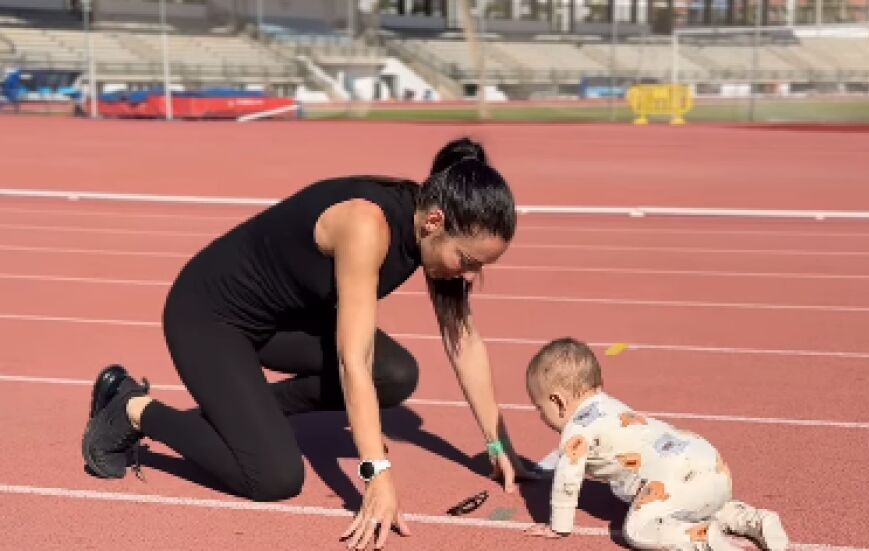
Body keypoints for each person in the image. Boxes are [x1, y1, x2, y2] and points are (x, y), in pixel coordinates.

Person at [82, 137, 535, 550]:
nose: (470, 275)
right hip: (210, 317)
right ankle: (129, 408)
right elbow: (352, 360)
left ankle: (241, 417)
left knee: (396, 376)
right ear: (435, 221)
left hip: (281, 322)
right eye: (468, 261)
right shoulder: (366, 225)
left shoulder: (434, 235)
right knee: (273, 477)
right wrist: (376, 474)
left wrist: (498, 447)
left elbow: (464, 341)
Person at [523, 337, 789, 551]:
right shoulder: (610, 404)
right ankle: (753, 519)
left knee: (639, 529)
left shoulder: (576, 428)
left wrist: (558, 525)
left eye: (540, 408)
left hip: (673, 476)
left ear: (558, 401)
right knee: (701, 504)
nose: (541, 416)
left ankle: (702, 538)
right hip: (708, 459)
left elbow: (567, 477)